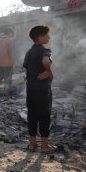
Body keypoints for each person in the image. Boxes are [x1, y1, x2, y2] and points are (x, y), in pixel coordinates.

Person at [23, 25, 53, 154]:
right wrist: (48, 71)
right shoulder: (44, 50)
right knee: (44, 116)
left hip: (31, 88)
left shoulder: (29, 52)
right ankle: (44, 146)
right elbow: (46, 61)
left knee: (32, 115)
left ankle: (32, 144)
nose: (49, 37)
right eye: (47, 35)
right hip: (42, 89)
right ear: (40, 37)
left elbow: (26, 68)